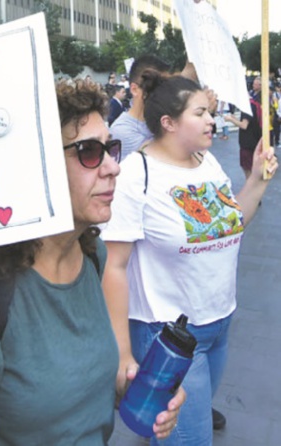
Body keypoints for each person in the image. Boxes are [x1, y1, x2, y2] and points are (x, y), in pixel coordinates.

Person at [0, 79, 184, 445]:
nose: (112, 168)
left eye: (110, 149)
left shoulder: (91, 253)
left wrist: (134, 389)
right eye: (89, 152)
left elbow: (87, 380)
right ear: (36, 166)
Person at [102, 71, 277, 445]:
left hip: (219, 323)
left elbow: (230, 224)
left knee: (170, 430)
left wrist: (257, 182)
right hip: (166, 336)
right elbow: (114, 266)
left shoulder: (207, 162)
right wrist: (122, 354)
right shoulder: (136, 173)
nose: (212, 119)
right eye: (201, 113)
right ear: (168, 122)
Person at [110, 55, 171, 159]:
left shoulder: (159, 117)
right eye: (158, 86)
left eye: (168, 86)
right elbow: (167, 158)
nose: (165, 93)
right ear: (134, 89)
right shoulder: (122, 131)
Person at [224, 76, 263, 180]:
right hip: (254, 140)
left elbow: (244, 125)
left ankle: (251, 192)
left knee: (248, 170)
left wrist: (230, 119)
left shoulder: (249, 105)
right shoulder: (255, 103)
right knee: (249, 168)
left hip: (248, 142)